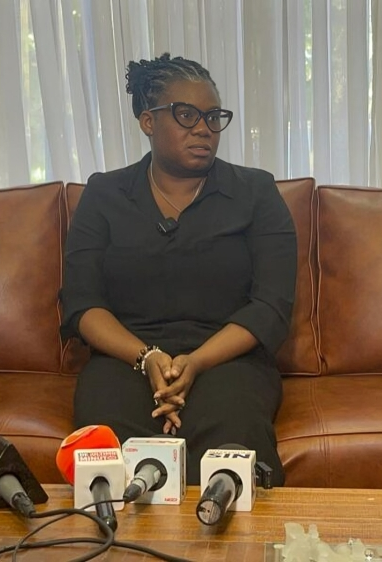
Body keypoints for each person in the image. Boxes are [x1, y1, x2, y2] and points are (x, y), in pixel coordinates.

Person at [61, 54, 297, 485]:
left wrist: (197, 362)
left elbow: (270, 305)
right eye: (186, 115)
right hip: (125, 359)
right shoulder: (104, 194)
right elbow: (83, 303)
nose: (204, 128)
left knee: (231, 438)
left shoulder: (255, 192)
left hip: (228, 359)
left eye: (213, 117)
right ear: (148, 121)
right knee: (111, 445)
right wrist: (147, 357)